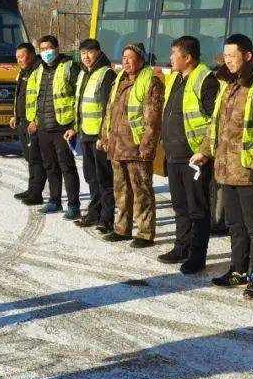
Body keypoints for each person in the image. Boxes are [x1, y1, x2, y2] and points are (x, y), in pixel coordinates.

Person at [192, 33, 253, 300]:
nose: (228, 61)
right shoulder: (228, 83)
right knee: (235, 224)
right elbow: (217, 124)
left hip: (250, 172)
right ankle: (238, 270)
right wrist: (204, 151)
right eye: (226, 56)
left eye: (233, 56)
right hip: (226, 169)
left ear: (247, 56)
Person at [158, 35, 219, 274]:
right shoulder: (177, 78)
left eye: (174, 54)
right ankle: (181, 247)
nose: (171, 58)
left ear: (188, 57)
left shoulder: (205, 80)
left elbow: (216, 121)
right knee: (180, 206)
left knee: (197, 209)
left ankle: (196, 255)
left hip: (194, 158)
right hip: (174, 155)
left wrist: (204, 151)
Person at [96, 43, 163, 247]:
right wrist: (104, 137)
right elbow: (109, 111)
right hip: (117, 146)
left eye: (130, 57)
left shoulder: (150, 81)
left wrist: (147, 147)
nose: (125, 61)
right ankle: (122, 228)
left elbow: (153, 120)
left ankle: (144, 233)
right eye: (123, 57)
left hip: (136, 149)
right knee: (121, 191)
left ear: (141, 60)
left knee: (142, 192)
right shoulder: (120, 80)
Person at [25, 35, 81, 218]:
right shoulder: (38, 70)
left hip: (62, 127)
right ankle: (54, 201)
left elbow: (77, 98)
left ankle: (74, 205)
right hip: (43, 127)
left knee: (67, 166)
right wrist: (32, 119)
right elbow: (34, 97)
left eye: (49, 48)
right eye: (42, 49)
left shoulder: (70, 67)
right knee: (50, 166)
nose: (46, 52)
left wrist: (74, 125)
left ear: (57, 49)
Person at [64, 38, 117, 232]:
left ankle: (106, 218)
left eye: (90, 52)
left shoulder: (106, 74)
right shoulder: (84, 73)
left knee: (104, 178)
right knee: (91, 177)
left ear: (98, 52)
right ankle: (94, 213)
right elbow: (80, 105)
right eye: (83, 53)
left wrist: (104, 136)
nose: (86, 56)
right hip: (85, 133)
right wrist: (74, 128)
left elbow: (107, 109)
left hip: (99, 137)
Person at [11, 42, 45, 205]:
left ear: (32, 55)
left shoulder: (39, 70)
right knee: (29, 158)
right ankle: (31, 189)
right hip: (22, 121)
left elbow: (42, 98)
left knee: (36, 159)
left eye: (22, 57)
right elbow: (19, 97)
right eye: (17, 57)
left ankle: (36, 193)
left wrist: (36, 120)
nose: (19, 60)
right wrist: (15, 115)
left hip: (33, 123)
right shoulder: (23, 71)